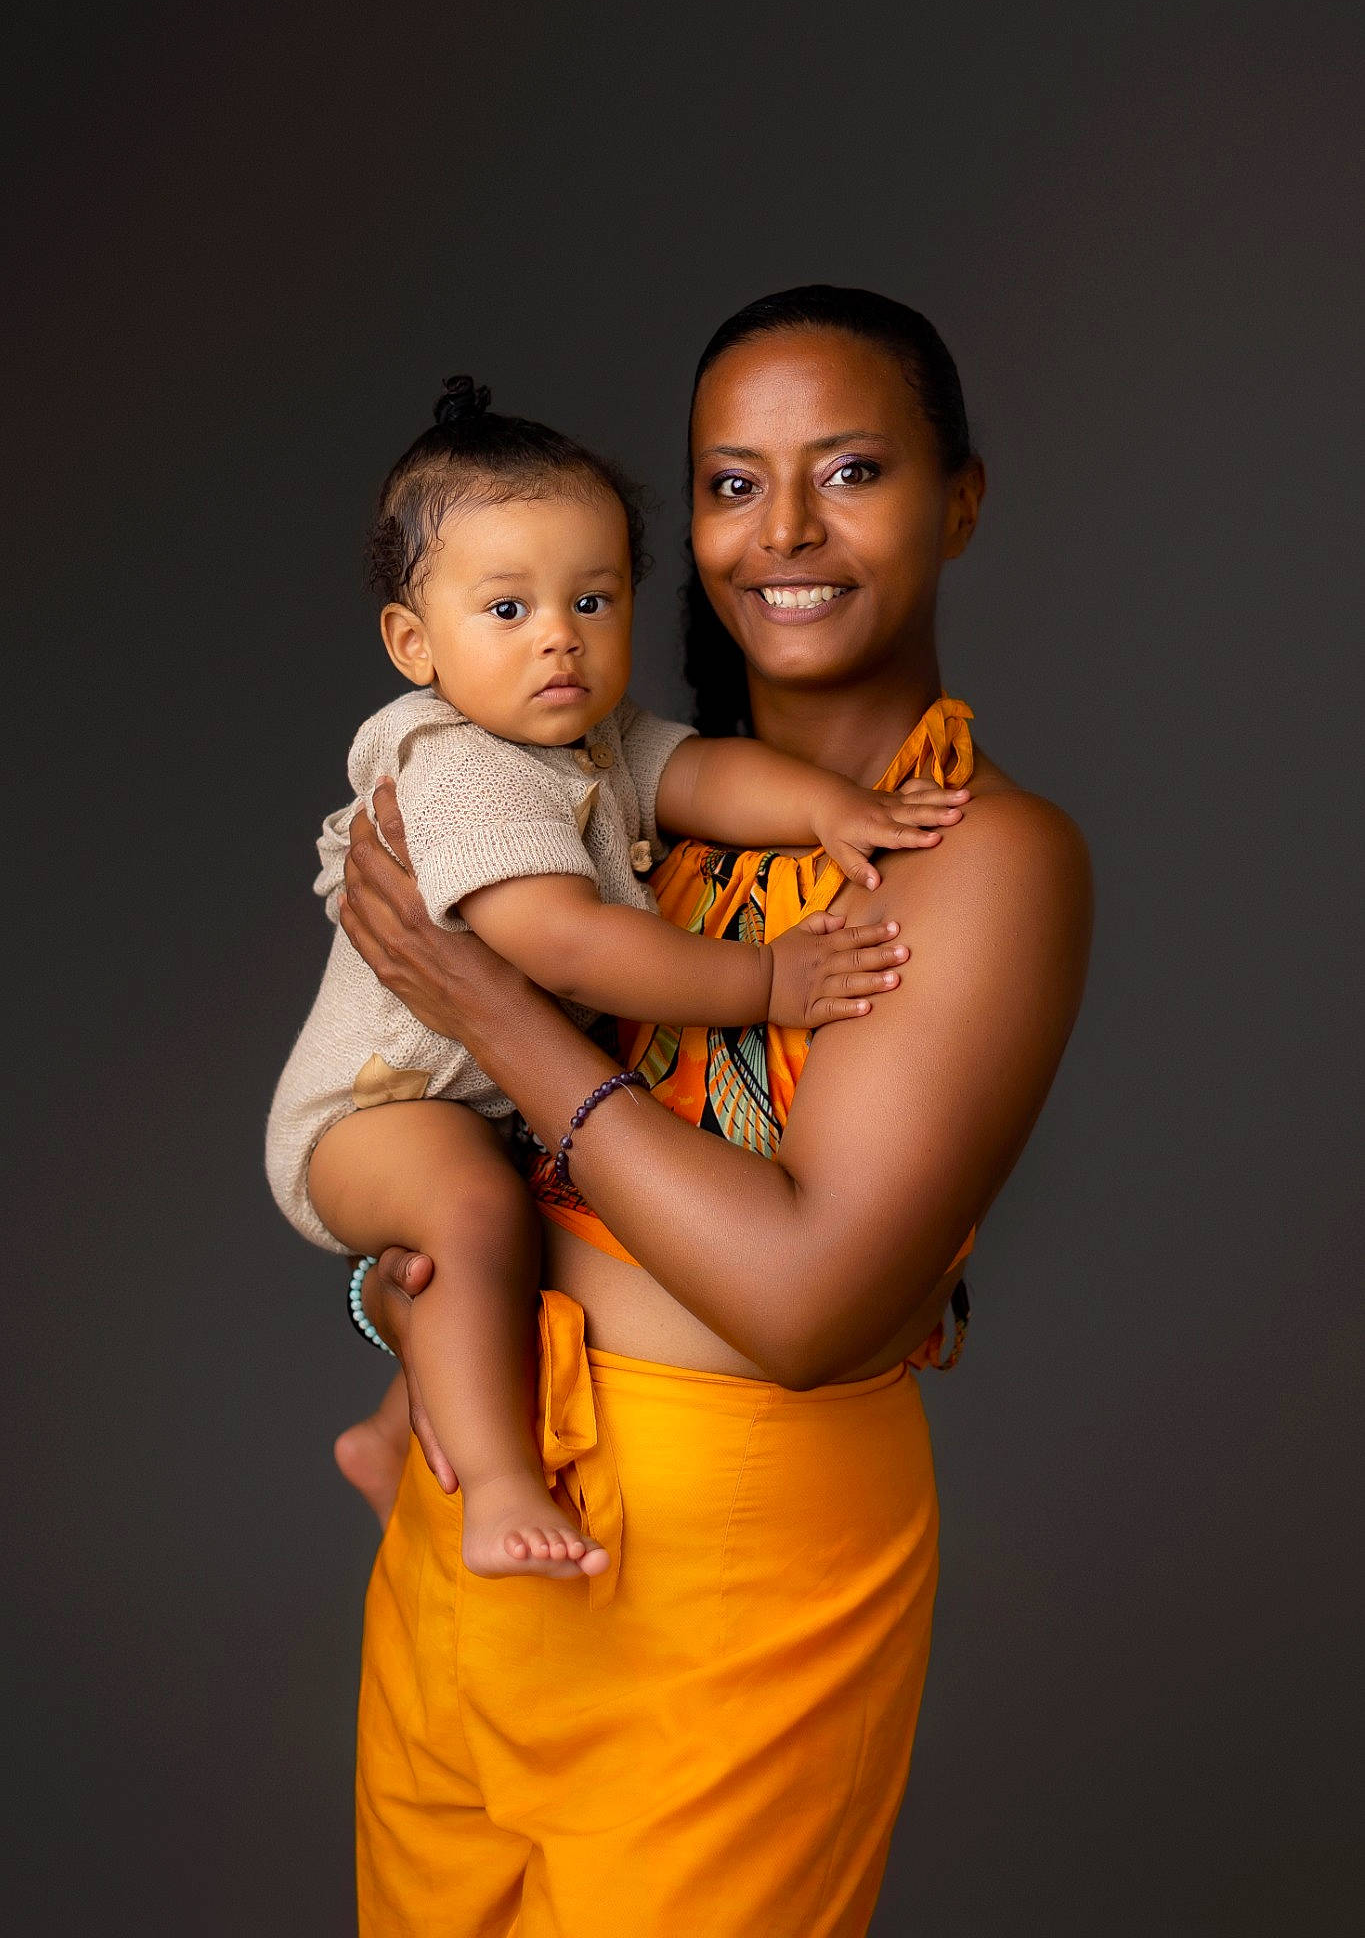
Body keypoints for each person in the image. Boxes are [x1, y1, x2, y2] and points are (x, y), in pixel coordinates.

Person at [333, 286, 1093, 1937]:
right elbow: (446, 1151)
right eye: (734, 483)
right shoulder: (597, 805)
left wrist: (497, 1012)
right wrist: (398, 1288)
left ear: (960, 496)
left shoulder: (990, 858)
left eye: (853, 471)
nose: (787, 530)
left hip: (734, 1579)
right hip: (486, 1516)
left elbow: (806, 1300)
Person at [267, 374, 972, 1581]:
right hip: (374, 1109)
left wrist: (834, 808)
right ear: (412, 642)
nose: (560, 635)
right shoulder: (455, 763)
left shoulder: (590, 739)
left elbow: (706, 777)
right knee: (479, 1212)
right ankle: (490, 1483)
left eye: (592, 599)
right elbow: (566, 945)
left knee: (485, 1220)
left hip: (481, 1114)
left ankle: (388, 1433)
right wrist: (765, 982)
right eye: (508, 607)